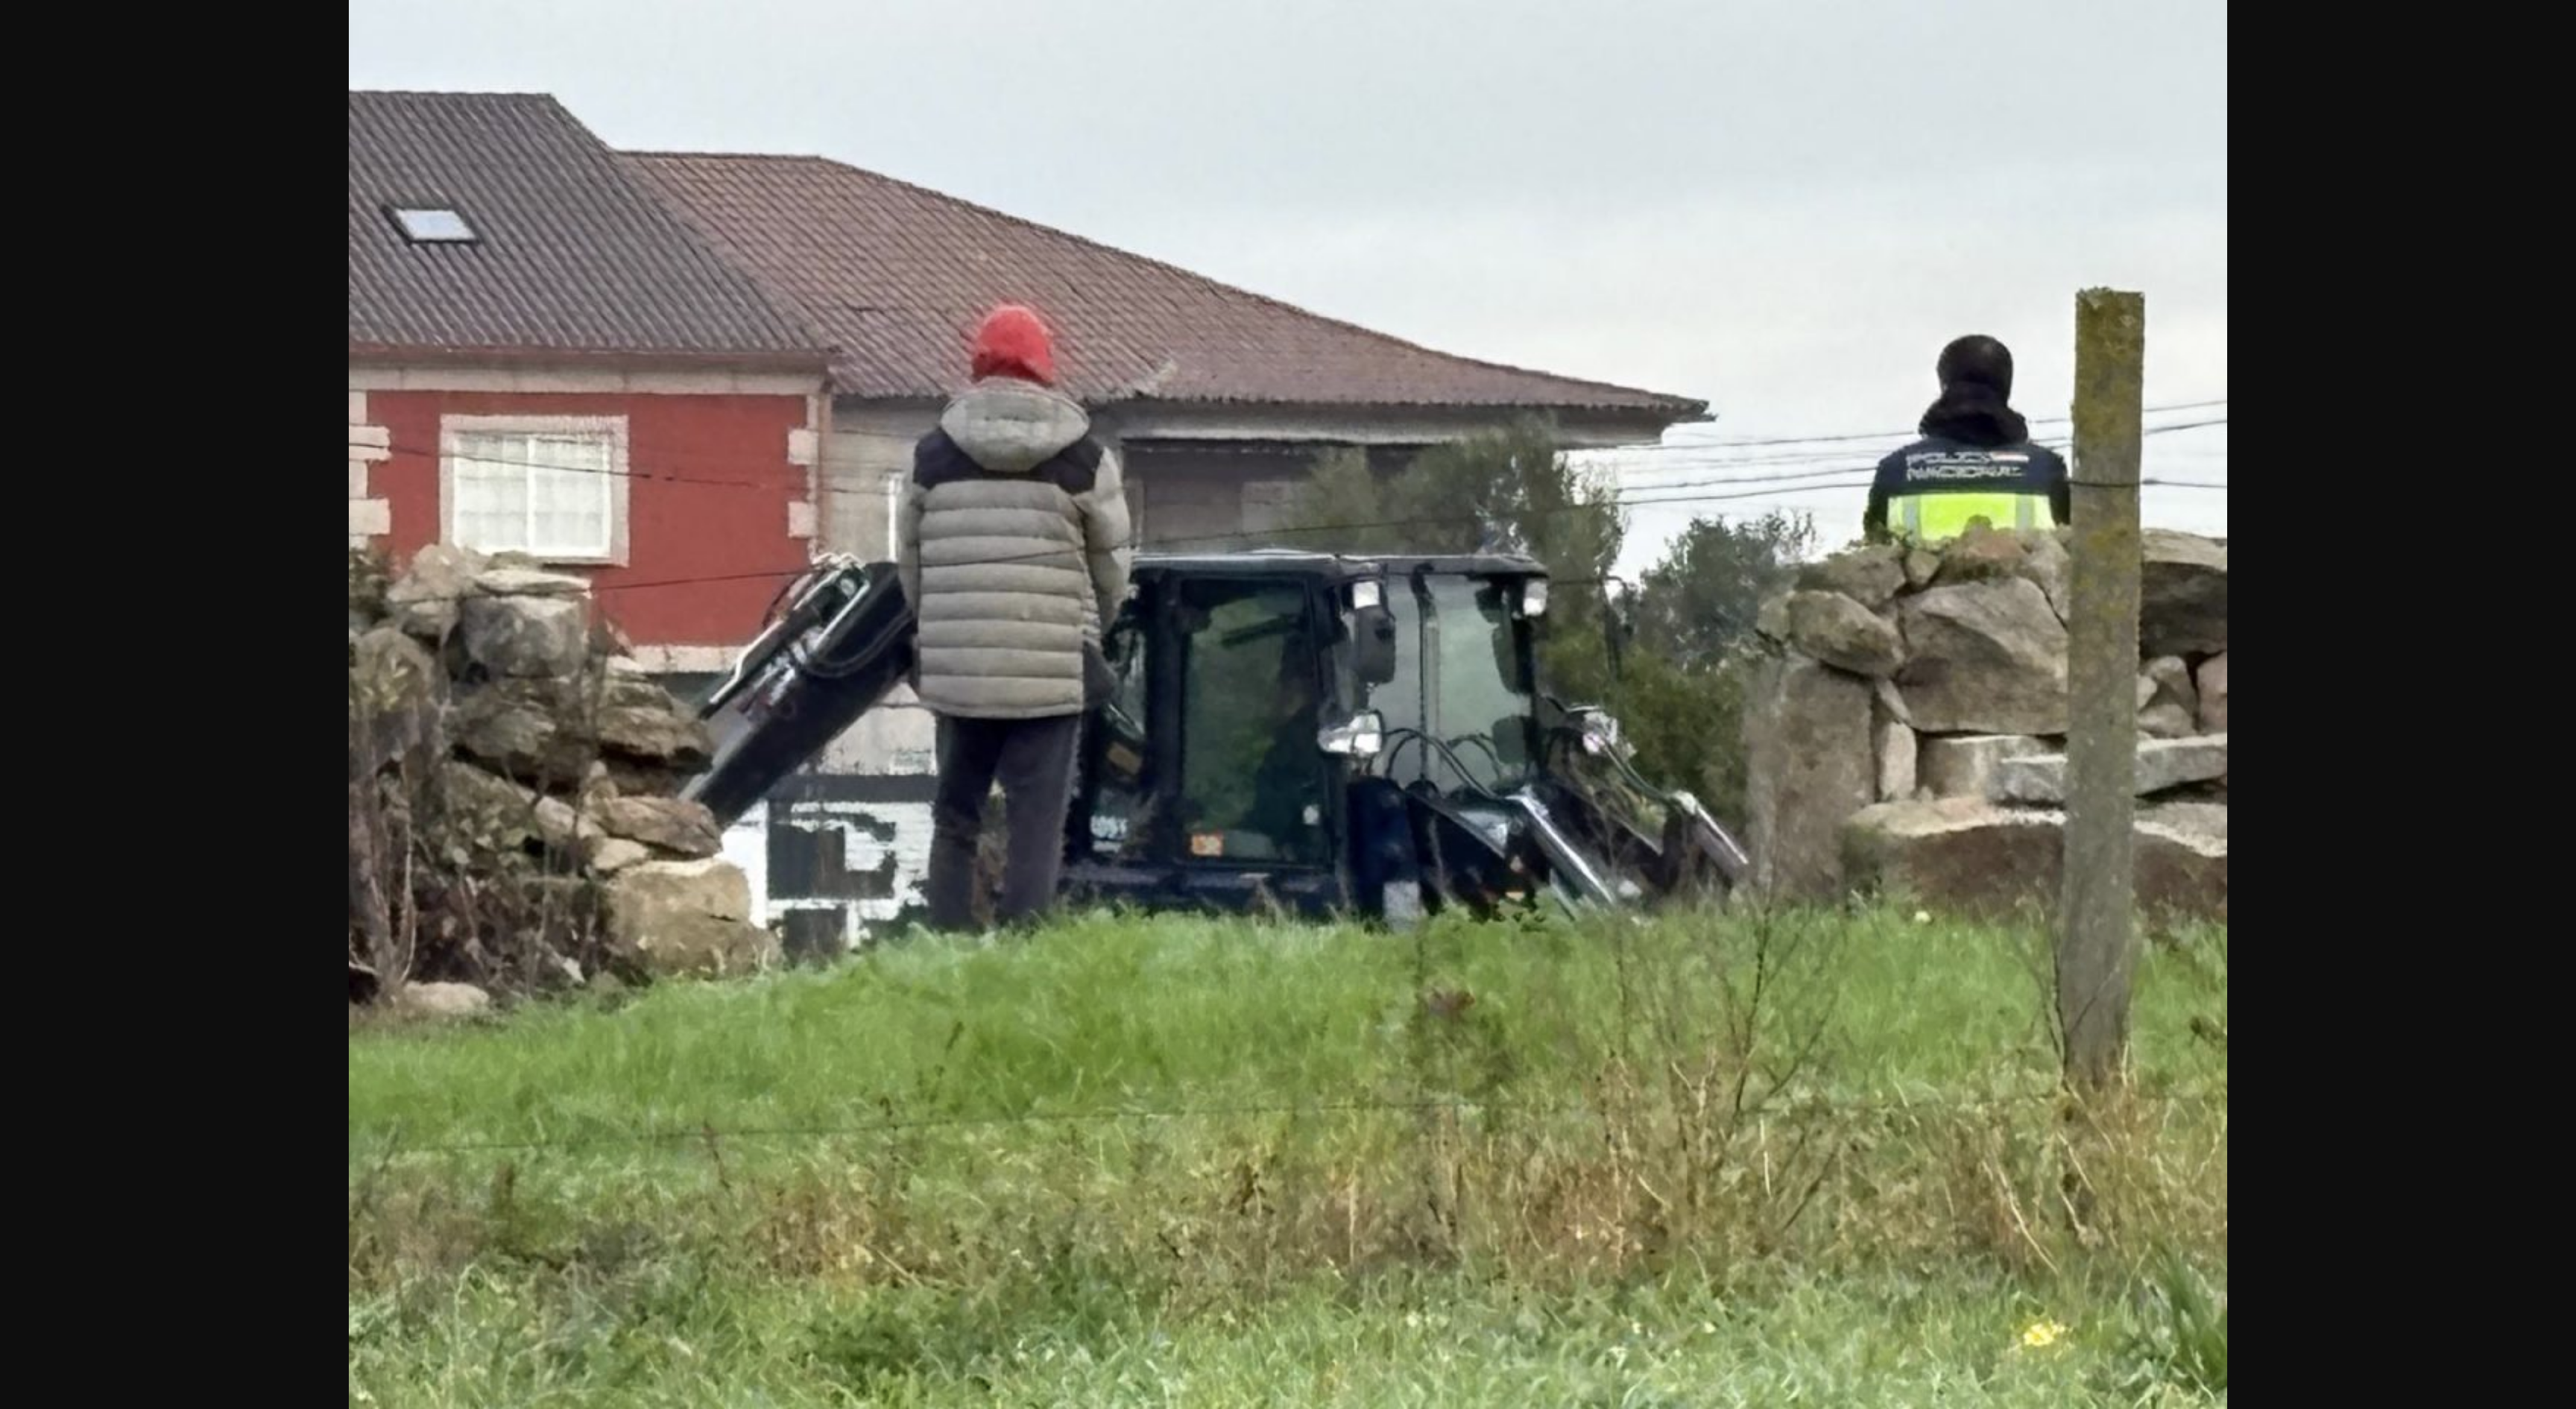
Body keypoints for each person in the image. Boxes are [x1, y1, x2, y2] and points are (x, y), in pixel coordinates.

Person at [898, 305, 1131, 930]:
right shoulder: (1084, 458)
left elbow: (910, 567)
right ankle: (1024, 951)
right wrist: (1088, 632)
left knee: (956, 818)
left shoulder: (931, 456)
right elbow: (1111, 569)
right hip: (1051, 672)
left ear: (977, 363)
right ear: (1046, 364)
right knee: (1037, 826)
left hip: (960, 672)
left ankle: (944, 946)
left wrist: (941, 631)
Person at [1865, 335, 2070, 544]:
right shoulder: (2046, 470)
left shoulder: (1896, 470)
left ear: (1945, 384)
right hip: (2030, 577)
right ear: (2005, 387)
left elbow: (1874, 556)